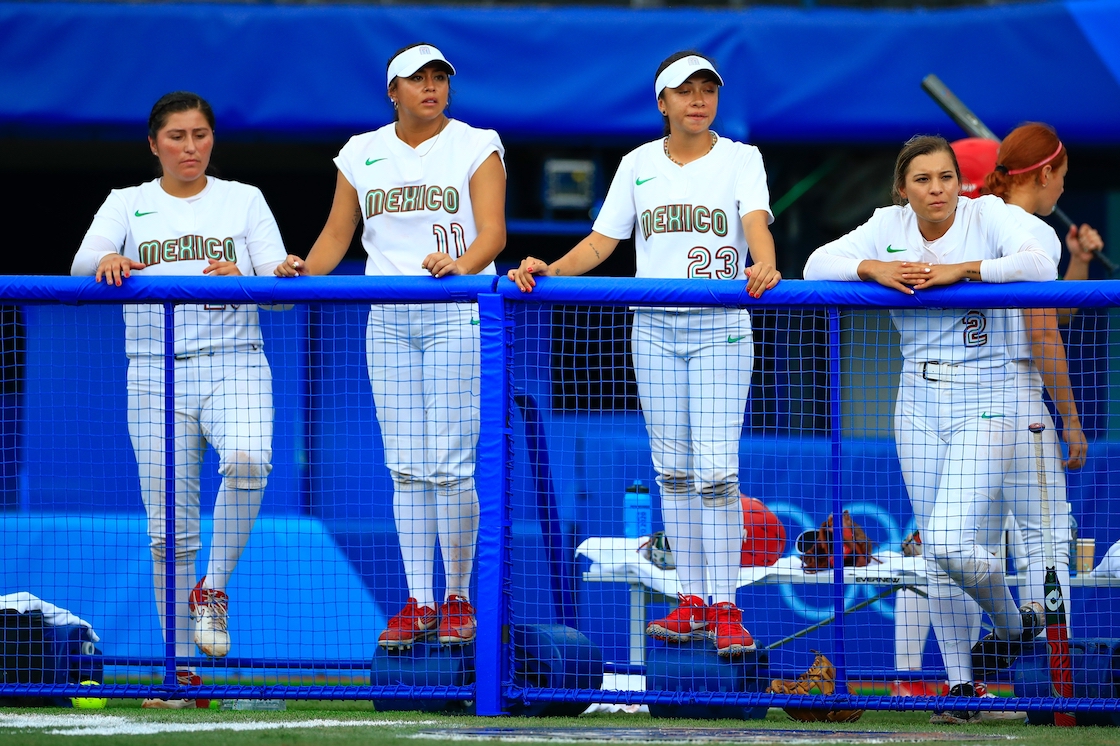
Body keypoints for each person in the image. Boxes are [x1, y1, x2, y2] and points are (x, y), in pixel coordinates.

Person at [510, 51, 780, 657]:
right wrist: (549, 268)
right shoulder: (637, 163)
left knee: (718, 472)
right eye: (685, 91)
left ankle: (727, 607)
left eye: (708, 89)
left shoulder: (742, 157)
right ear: (663, 103)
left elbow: (756, 220)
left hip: (719, 331)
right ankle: (692, 600)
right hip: (654, 331)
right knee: (675, 473)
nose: (698, 99)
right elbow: (604, 241)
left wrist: (763, 259)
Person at [803, 135, 1057, 722]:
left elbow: (1041, 265)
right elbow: (817, 263)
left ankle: (1012, 625)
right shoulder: (886, 222)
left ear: (957, 182)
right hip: (915, 395)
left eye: (945, 177)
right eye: (922, 179)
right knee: (935, 555)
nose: (936, 188)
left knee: (946, 541)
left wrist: (962, 270)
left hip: (989, 394)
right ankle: (961, 686)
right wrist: (874, 267)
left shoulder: (986, 214)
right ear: (903, 188)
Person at [275, 43, 506, 649]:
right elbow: (336, 233)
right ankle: (418, 599)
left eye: (439, 78)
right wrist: (303, 272)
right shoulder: (360, 151)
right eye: (416, 79)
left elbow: (493, 233)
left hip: (458, 313)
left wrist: (460, 266)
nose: (430, 87)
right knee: (405, 468)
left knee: (451, 465)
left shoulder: (477, 143)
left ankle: (458, 599)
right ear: (392, 91)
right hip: (389, 323)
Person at [71, 92, 287, 707]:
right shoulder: (127, 203)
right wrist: (109, 257)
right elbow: (83, 261)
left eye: (199, 135)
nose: (189, 147)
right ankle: (179, 674)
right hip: (153, 372)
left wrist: (249, 279)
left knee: (249, 459)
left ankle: (212, 590)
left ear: (213, 139)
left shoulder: (243, 199)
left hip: (235, 362)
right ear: (153, 144)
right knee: (169, 532)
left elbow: (280, 291)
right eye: (176, 136)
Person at [971, 123, 1092, 673]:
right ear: (1043, 173)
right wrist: (1070, 418)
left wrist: (1078, 263)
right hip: (1018, 403)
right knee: (1045, 548)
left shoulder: (975, 217)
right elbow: (1042, 334)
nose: (1063, 190)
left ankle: (968, 684)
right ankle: (1056, 686)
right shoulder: (1028, 232)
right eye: (1061, 178)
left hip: (962, 401)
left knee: (971, 547)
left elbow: (1046, 312)